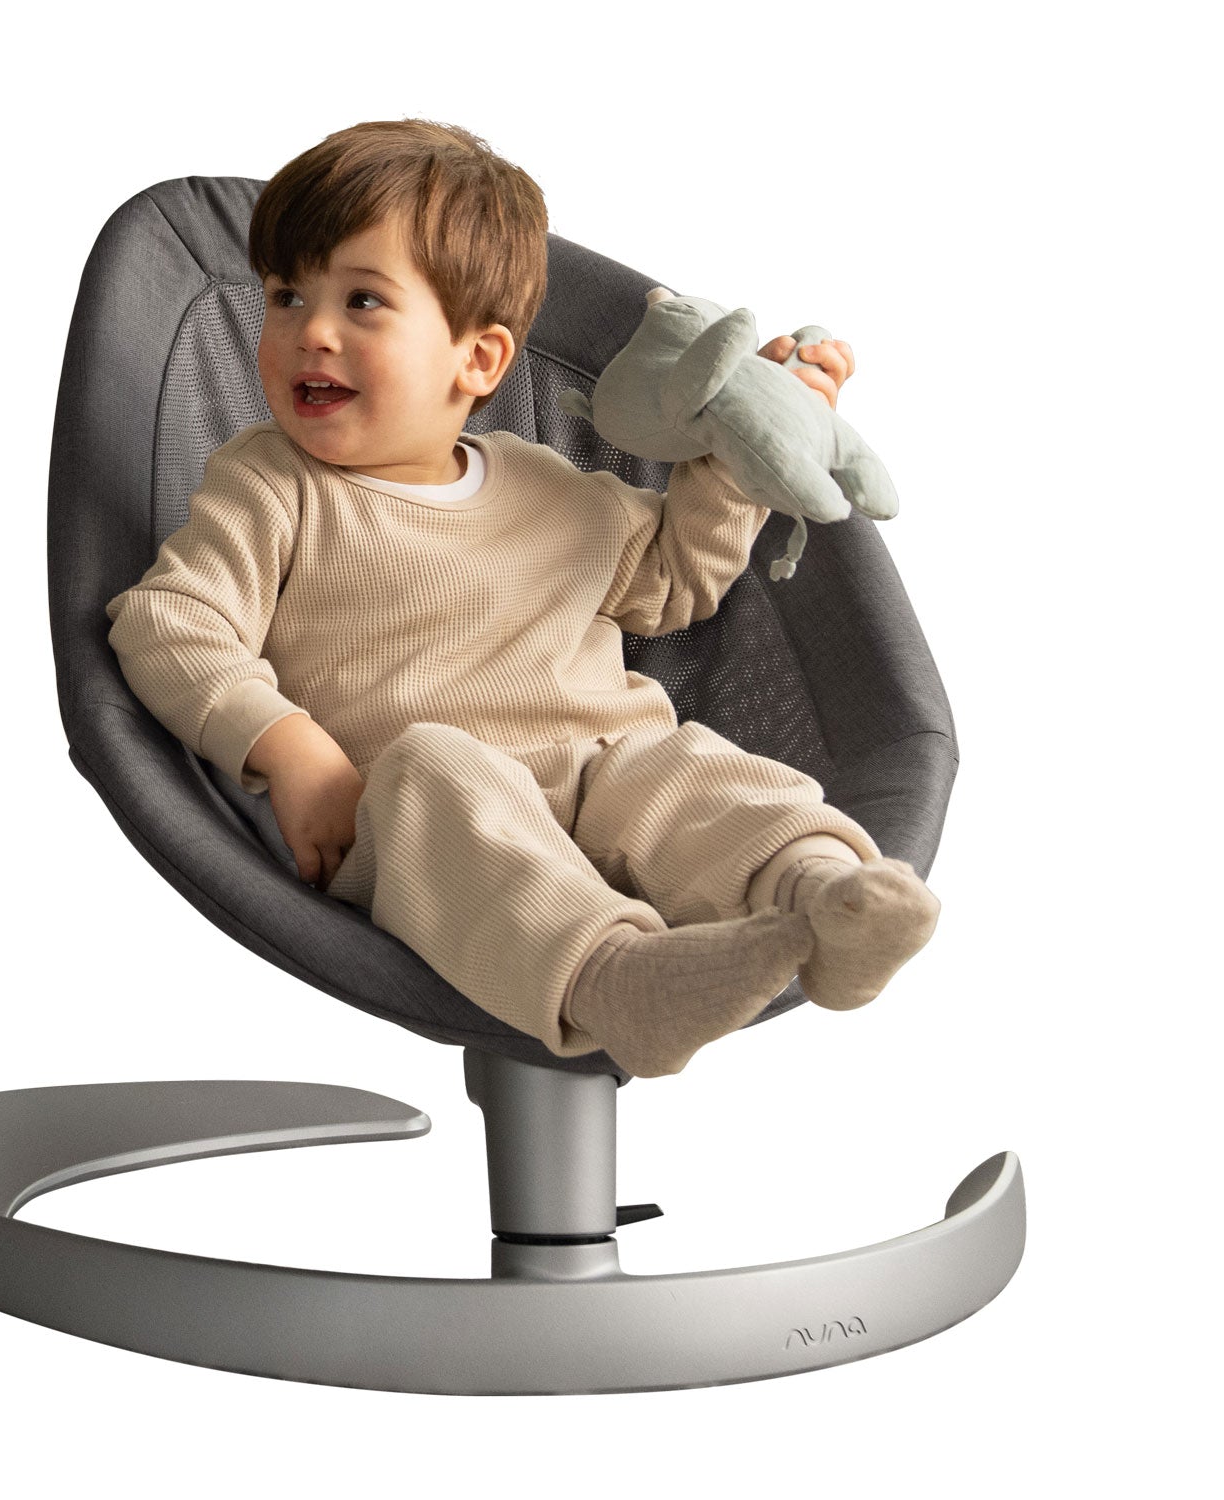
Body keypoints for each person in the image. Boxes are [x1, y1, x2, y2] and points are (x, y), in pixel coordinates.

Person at [105, 119, 940, 1077]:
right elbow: (171, 623)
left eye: (362, 301)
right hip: (412, 817)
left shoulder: (548, 484)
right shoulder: (270, 486)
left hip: (601, 768)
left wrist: (738, 456)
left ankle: (822, 898)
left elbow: (676, 582)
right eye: (285, 295)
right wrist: (290, 747)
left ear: (480, 359)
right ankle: (615, 978)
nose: (311, 332)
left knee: (691, 771)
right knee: (437, 769)